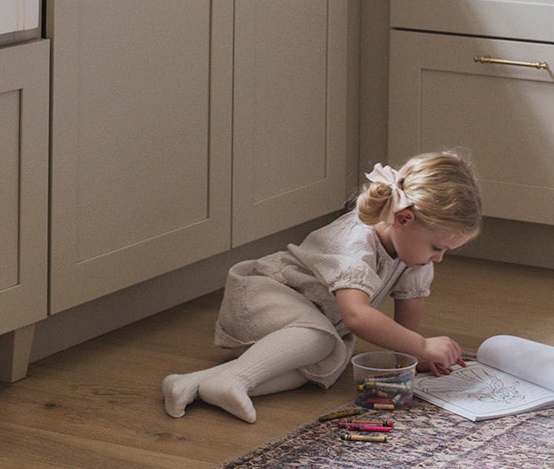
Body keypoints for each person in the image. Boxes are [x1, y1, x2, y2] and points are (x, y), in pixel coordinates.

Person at [162, 150, 482, 423]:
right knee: (320, 342)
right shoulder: (356, 241)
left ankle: (194, 384)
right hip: (265, 296)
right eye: (437, 247)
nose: (438, 258)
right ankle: (236, 376)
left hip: (311, 329)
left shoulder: (416, 257)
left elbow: (405, 333)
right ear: (404, 220)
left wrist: (414, 357)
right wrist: (423, 346)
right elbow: (356, 317)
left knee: (324, 365)